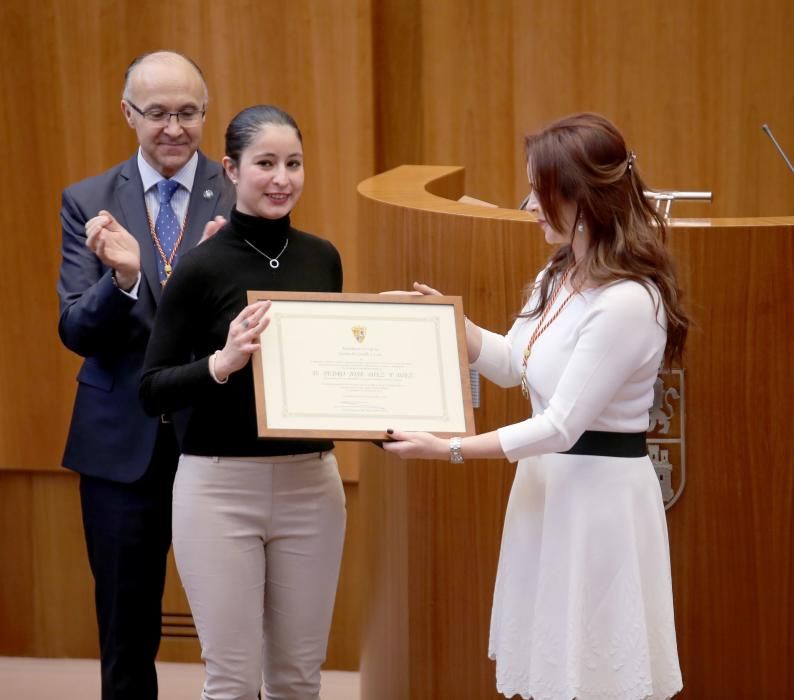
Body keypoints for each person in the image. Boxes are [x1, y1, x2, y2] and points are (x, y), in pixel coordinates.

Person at [384, 112, 687, 700]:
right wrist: (447, 323)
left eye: (539, 192)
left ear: (582, 198)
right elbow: (513, 363)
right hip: (547, 491)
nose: (528, 206)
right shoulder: (560, 274)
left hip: (597, 503)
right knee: (551, 668)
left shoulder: (627, 299)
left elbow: (561, 424)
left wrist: (447, 448)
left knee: (595, 673)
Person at [139, 105, 346, 700]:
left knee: (299, 680)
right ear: (230, 169)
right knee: (231, 681)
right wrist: (222, 363)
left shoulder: (322, 257)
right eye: (265, 164)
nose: (282, 178)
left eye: (294, 163)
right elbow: (151, 387)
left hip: (312, 483)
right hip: (219, 489)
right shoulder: (201, 267)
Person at [57, 51, 234, 700]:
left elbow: (261, 327)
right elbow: (76, 330)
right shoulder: (89, 202)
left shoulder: (242, 192)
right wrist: (123, 280)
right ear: (127, 114)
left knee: (235, 626)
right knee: (126, 633)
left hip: (216, 438)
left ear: (205, 115)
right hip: (118, 444)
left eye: (188, 113)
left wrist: (219, 284)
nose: (173, 128)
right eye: (156, 113)